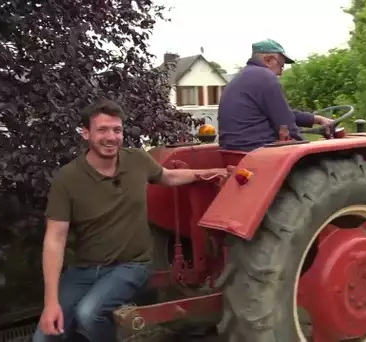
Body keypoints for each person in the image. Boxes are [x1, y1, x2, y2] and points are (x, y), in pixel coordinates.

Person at [33, 99, 230, 342]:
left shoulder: (136, 160)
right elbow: (55, 238)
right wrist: (50, 303)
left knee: (89, 315)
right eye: (102, 130)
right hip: (84, 269)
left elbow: (167, 176)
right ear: (86, 133)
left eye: (117, 130)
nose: (111, 137)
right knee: (46, 335)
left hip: (131, 266)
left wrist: (205, 174)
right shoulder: (68, 178)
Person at [217, 39, 334, 152]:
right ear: (268, 60)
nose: (281, 72)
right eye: (281, 66)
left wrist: (315, 119)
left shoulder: (239, 78)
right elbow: (286, 124)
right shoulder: (266, 77)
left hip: (231, 149)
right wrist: (305, 148)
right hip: (256, 148)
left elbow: (281, 112)